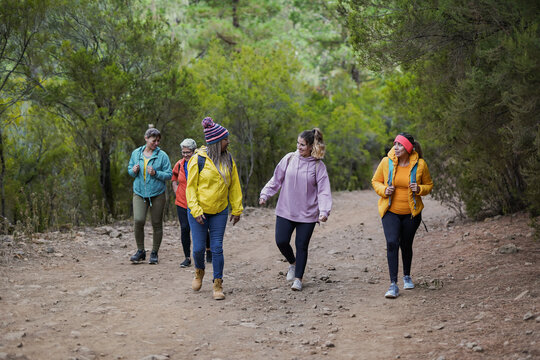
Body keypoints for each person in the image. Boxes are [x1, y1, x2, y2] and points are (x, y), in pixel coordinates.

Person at [259, 128, 332, 292]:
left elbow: (324, 191)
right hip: (286, 209)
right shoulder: (289, 158)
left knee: (302, 245)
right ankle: (292, 263)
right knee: (281, 241)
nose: (299, 147)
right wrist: (265, 194)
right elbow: (276, 179)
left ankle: (298, 279)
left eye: (303, 145)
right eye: (298, 143)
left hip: (307, 213)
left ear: (311, 146)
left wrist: (324, 211)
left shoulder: (318, 166)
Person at [186, 117, 243, 300]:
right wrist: (196, 211)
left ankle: (217, 284)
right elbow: (190, 189)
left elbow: (234, 185)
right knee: (199, 248)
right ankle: (199, 271)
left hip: (219, 210)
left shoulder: (228, 159)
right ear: (217, 142)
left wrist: (237, 209)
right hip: (199, 211)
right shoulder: (198, 160)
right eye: (226, 139)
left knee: (217, 248)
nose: (229, 142)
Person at [371, 132, 433, 298]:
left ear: (407, 148)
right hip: (390, 211)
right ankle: (393, 284)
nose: (395, 147)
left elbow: (429, 185)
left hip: (411, 214)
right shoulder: (386, 162)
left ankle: (406, 275)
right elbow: (375, 181)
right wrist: (384, 190)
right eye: (395, 144)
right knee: (392, 242)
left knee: (405, 244)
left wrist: (419, 189)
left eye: (399, 145)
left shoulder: (420, 165)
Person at [127, 127, 172, 264]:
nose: (156, 143)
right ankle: (140, 251)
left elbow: (169, 174)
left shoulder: (162, 155)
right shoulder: (136, 153)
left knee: (156, 223)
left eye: (158, 141)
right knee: (138, 220)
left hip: (157, 193)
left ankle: (154, 252)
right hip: (139, 192)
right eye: (154, 140)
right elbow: (130, 170)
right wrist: (133, 170)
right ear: (146, 139)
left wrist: (156, 174)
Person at [171, 138, 211, 268]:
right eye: (183, 152)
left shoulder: (200, 163)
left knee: (202, 226)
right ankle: (187, 257)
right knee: (184, 228)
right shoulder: (179, 164)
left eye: (188, 152)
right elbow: (174, 178)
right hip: (182, 202)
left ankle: (208, 250)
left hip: (198, 202)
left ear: (194, 152)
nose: (185, 155)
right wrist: (176, 191)